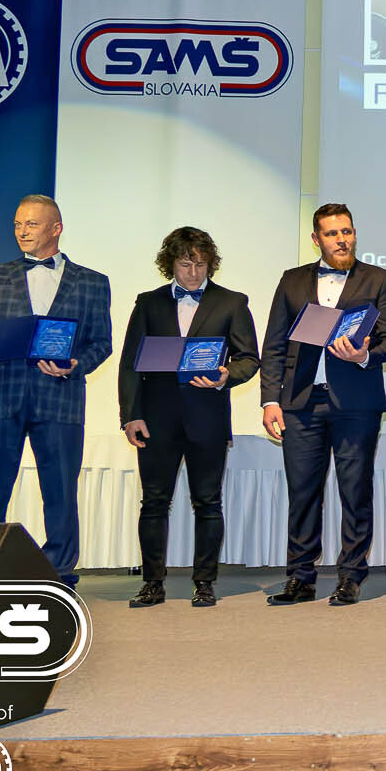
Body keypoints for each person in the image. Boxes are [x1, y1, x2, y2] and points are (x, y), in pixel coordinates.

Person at [0, 195, 113, 587]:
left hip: (61, 399)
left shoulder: (92, 282)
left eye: (31, 224)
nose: (22, 231)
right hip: (1, 399)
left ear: (56, 228)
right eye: (17, 224)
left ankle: (59, 572)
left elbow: (102, 343)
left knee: (60, 492)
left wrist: (76, 365)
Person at [259, 204, 386, 607]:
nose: (342, 240)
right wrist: (270, 400)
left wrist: (364, 355)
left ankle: (351, 576)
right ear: (316, 239)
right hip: (300, 401)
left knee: (355, 491)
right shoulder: (291, 280)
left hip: (357, 402)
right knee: (303, 493)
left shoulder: (378, 278)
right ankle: (300, 578)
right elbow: (274, 344)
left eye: (347, 232)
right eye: (332, 233)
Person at [118, 226, 260, 608]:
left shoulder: (232, 302)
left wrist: (227, 374)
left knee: (208, 503)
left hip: (208, 418)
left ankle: (205, 582)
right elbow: (130, 363)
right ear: (171, 265)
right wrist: (131, 415)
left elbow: (249, 358)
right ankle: (152, 583)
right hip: (155, 419)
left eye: (201, 264)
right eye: (185, 264)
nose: (194, 273)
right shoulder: (148, 303)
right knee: (154, 502)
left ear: (211, 264)